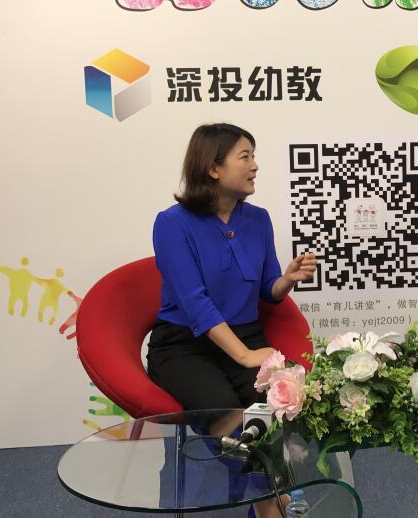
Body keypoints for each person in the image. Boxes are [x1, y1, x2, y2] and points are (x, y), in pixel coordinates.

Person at [147, 123, 315, 518]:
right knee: (227, 413)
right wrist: (243, 355)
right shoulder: (172, 224)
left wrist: (286, 280)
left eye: (254, 156)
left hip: (245, 336)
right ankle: (273, 501)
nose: (255, 165)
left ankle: (269, 497)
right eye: (245, 157)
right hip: (184, 345)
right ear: (213, 167)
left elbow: (267, 289)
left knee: (285, 403)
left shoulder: (258, 219)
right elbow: (195, 304)